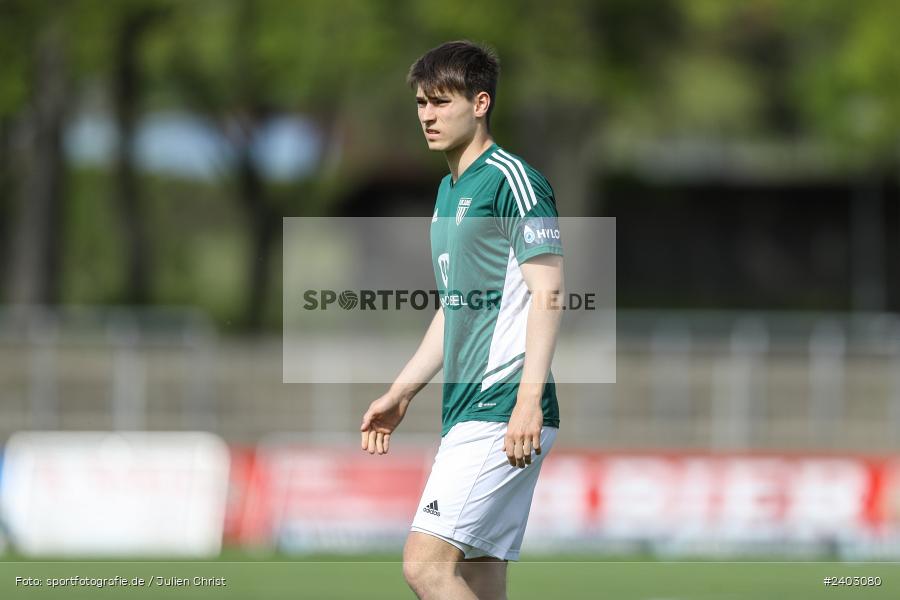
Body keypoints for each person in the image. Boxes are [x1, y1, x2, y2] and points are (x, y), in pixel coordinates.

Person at [360, 40, 564, 600]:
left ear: (480, 103)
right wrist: (402, 392)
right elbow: (456, 309)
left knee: (425, 565)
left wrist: (526, 401)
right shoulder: (448, 191)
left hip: (501, 407)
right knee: (477, 574)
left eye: (440, 102)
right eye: (421, 103)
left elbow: (549, 292)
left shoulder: (511, 179)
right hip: (467, 410)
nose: (427, 115)